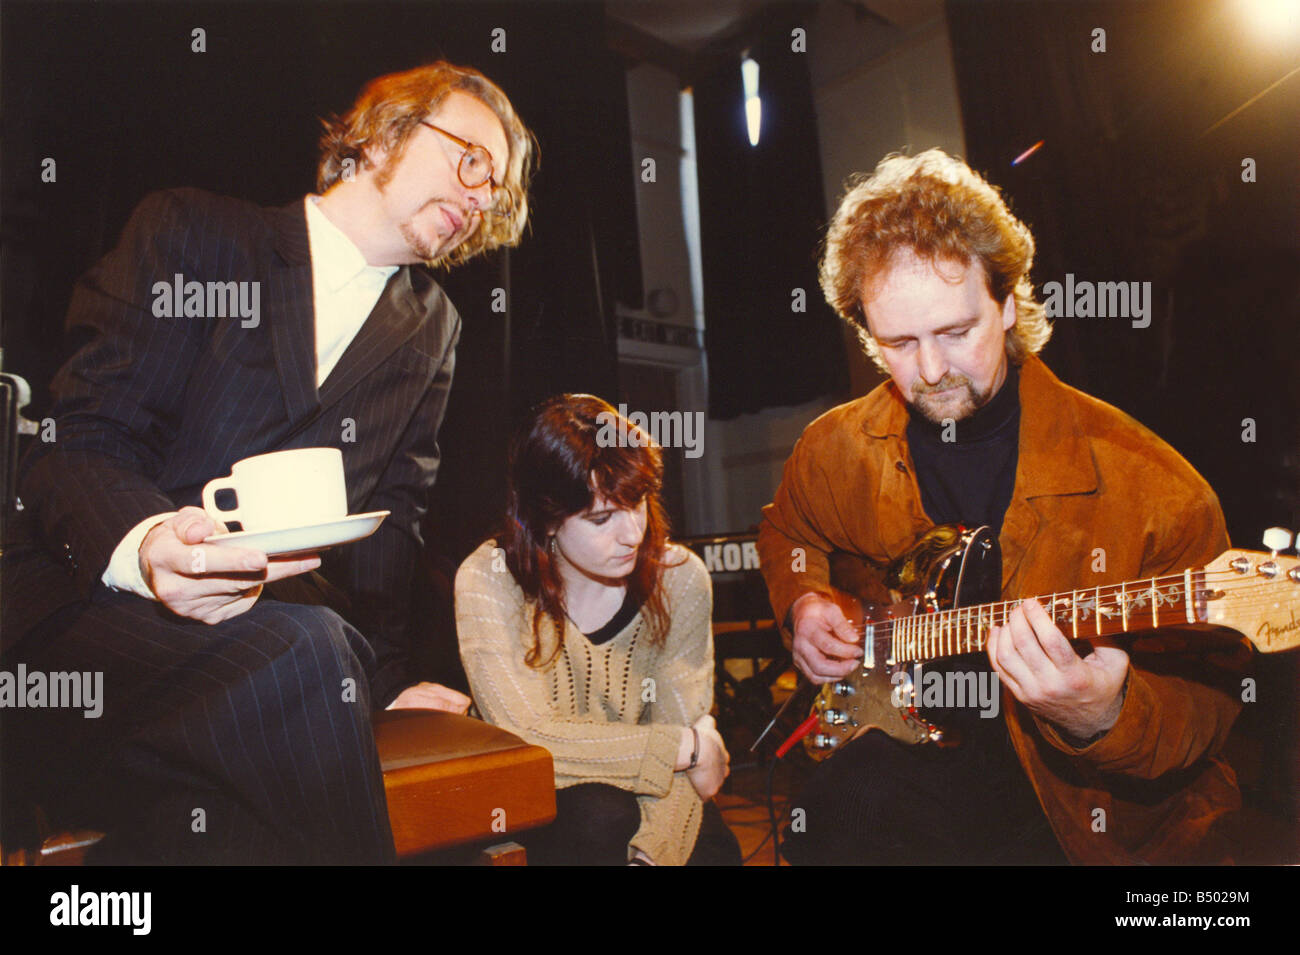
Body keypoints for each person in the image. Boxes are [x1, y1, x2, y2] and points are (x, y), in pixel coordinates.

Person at [1, 62, 536, 863]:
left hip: (269, 659)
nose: (480, 196)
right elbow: (80, 442)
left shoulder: (434, 328)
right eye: (471, 160)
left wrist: (385, 684)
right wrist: (148, 548)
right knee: (309, 655)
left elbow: (395, 531)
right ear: (384, 133)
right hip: (91, 628)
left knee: (265, 771)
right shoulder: (195, 231)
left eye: (496, 189)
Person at [758, 149, 1246, 865]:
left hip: (1076, 797)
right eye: (897, 341)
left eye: (956, 331)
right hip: (911, 739)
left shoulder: (1154, 486)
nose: (929, 369)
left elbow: (1212, 694)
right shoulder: (836, 447)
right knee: (827, 820)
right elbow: (787, 529)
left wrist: (1101, 714)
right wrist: (802, 600)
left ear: (1010, 303)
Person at [455, 395, 741, 865]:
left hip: (648, 801)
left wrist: (653, 856)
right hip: (533, 803)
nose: (632, 533)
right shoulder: (490, 576)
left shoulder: (680, 578)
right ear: (546, 521)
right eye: (601, 518)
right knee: (598, 817)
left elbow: (688, 775)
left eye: (639, 503)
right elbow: (529, 740)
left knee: (713, 849)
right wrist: (686, 746)